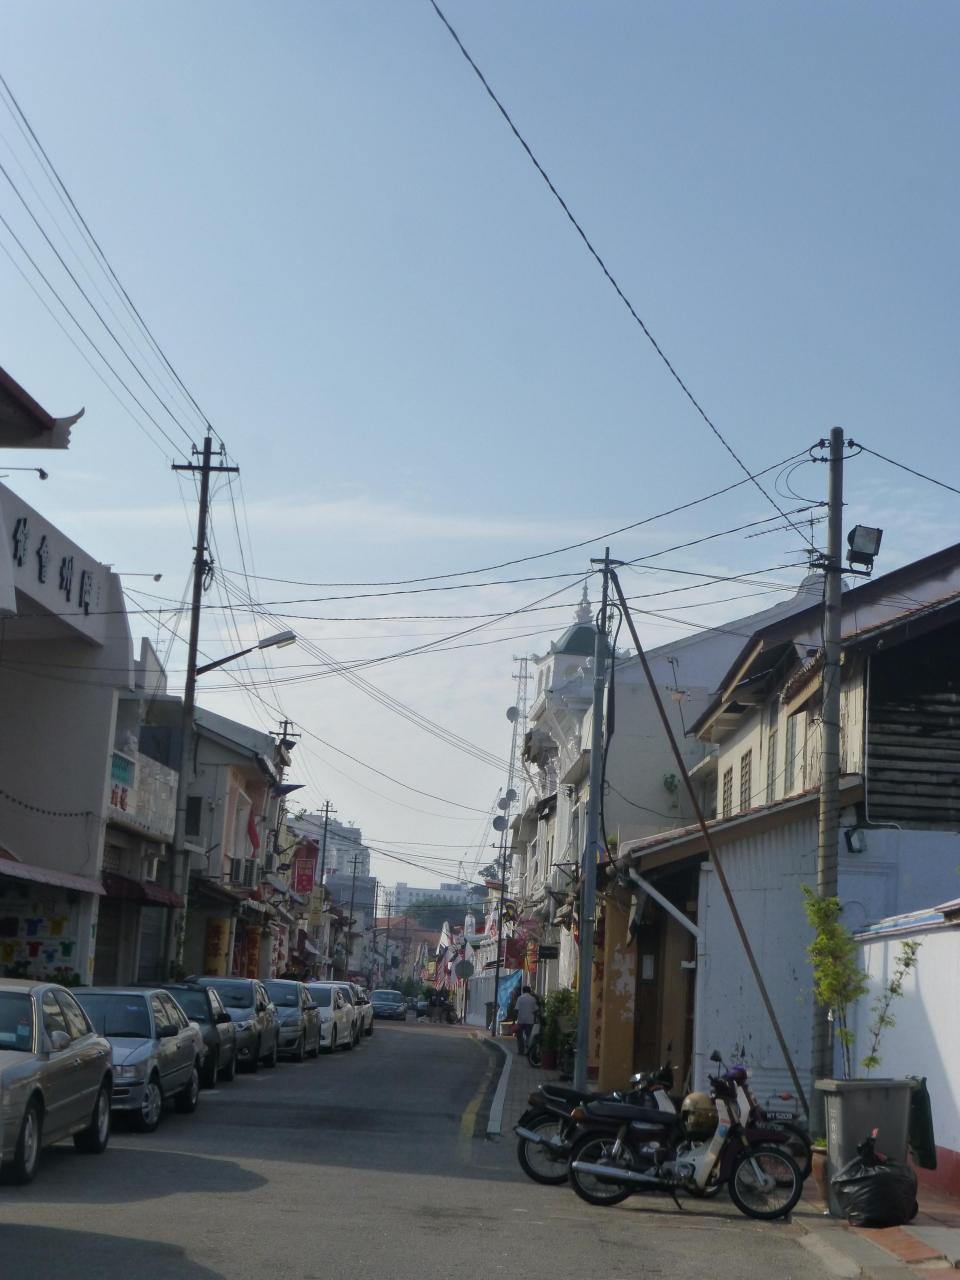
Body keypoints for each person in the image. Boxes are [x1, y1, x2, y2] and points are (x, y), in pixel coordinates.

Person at [514, 985, 538, 1055]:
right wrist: (535, 1019)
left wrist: (516, 1018)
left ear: (523, 991)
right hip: (530, 1021)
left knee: (519, 1036)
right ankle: (528, 1051)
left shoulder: (520, 998)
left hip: (521, 1020)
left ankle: (521, 1050)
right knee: (529, 1036)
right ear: (530, 991)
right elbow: (536, 1010)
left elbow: (516, 1009)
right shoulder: (533, 999)